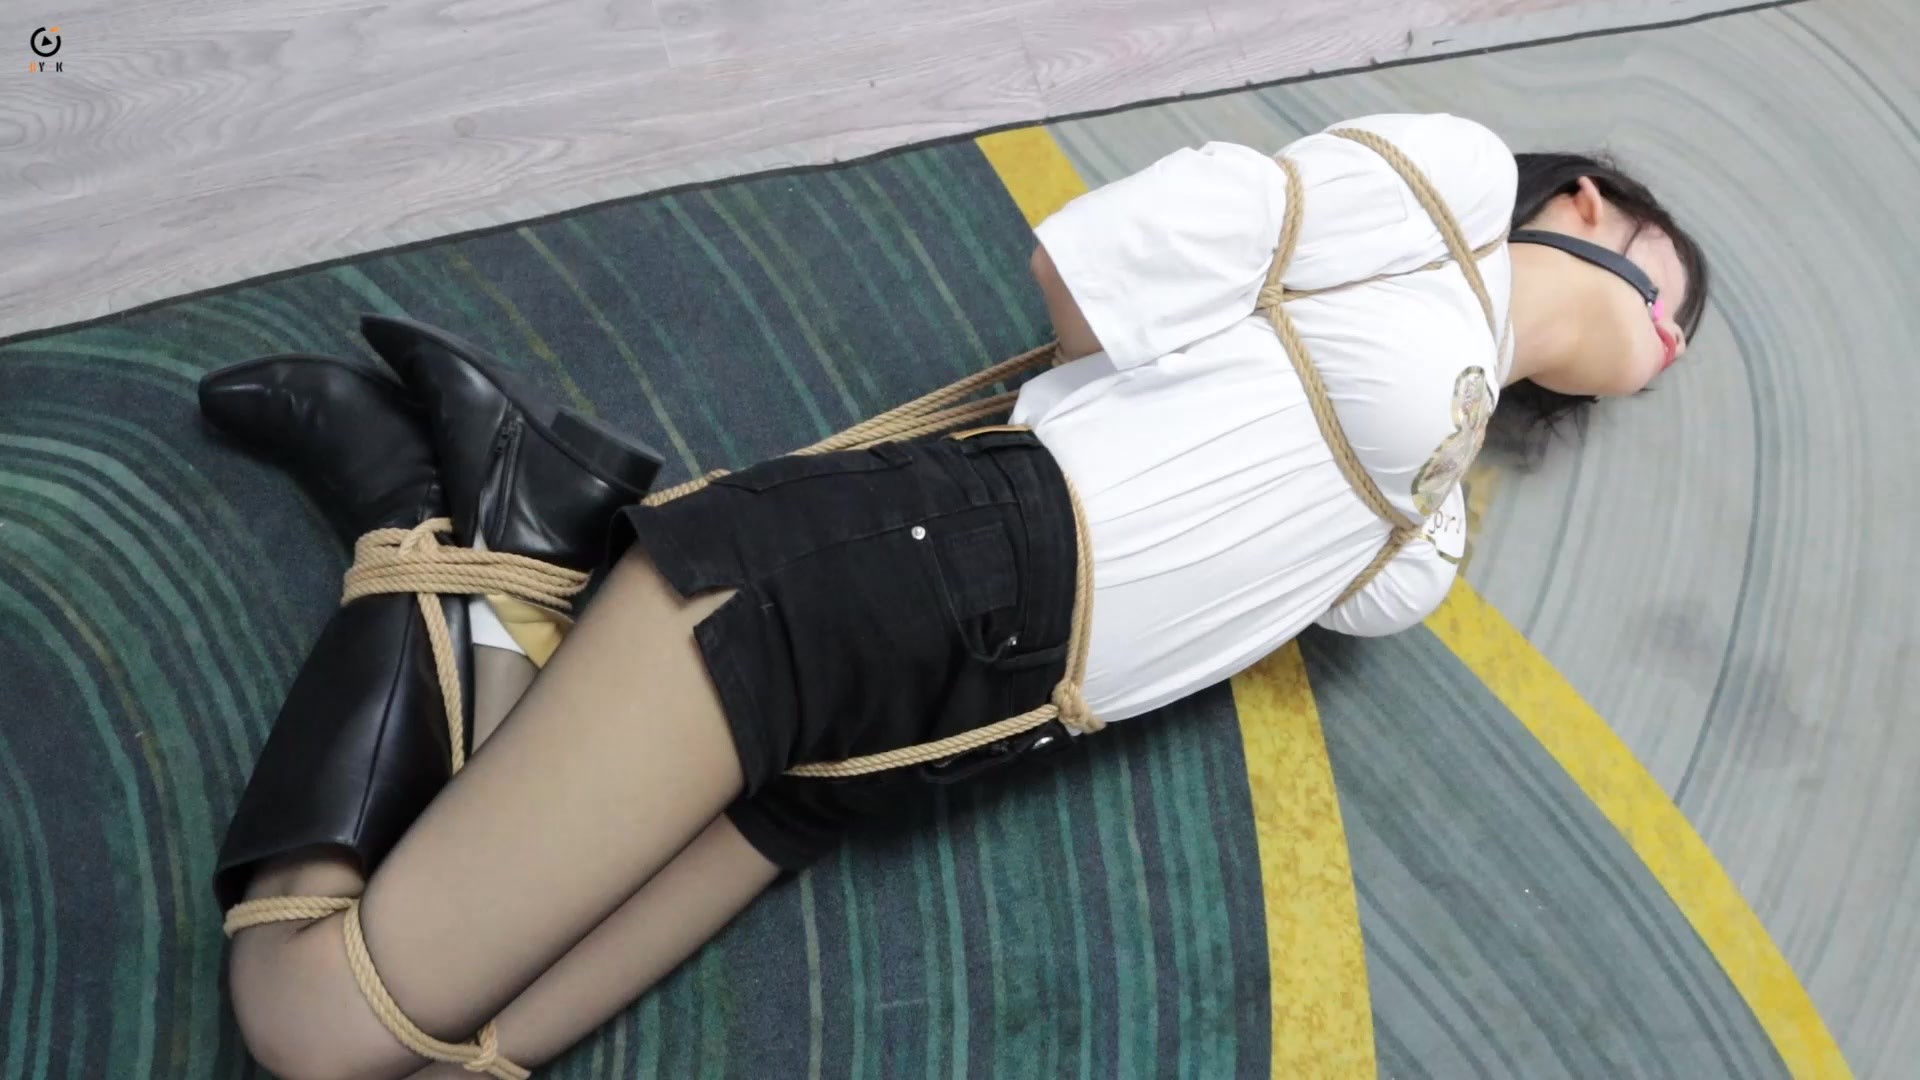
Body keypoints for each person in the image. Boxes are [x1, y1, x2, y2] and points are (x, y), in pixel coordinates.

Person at [203, 112, 1708, 1079]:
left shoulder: (1432, 520)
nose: (1676, 339)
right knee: (311, 1029)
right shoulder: (1443, 189)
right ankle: (416, 526)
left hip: (962, 732)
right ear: (1583, 202)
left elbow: (1364, 581)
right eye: (1672, 290)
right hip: (933, 568)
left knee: (461, 1062)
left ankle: (519, 526)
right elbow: (1109, 268)